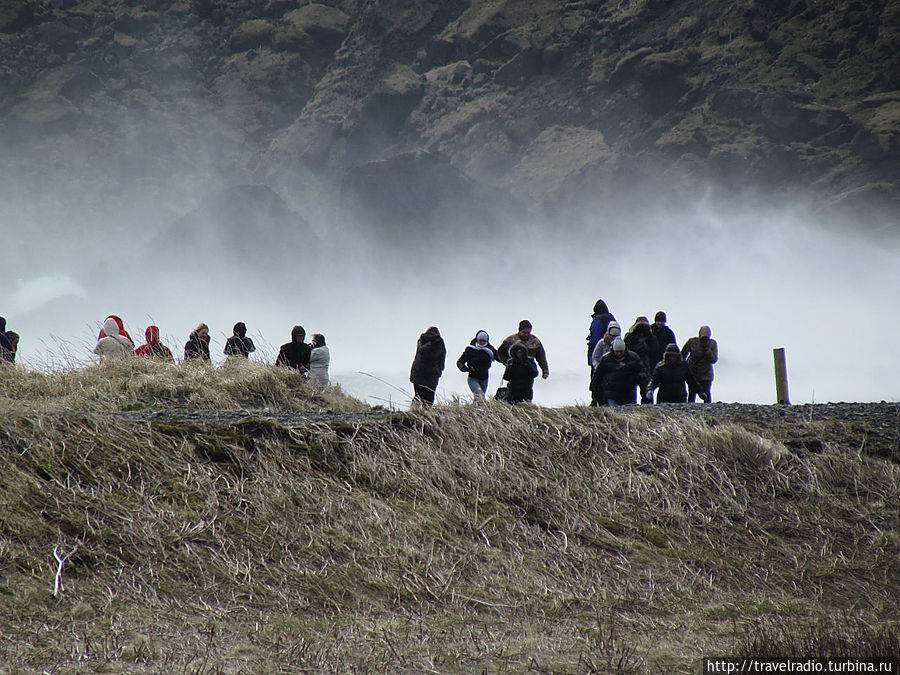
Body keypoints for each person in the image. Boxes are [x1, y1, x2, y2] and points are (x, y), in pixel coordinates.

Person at [590, 337, 650, 406]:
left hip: (628, 394)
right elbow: (597, 379)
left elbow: (643, 375)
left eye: (621, 351)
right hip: (610, 395)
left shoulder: (633, 358)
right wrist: (595, 399)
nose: (619, 353)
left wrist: (645, 396)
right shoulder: (605, 360)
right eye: (617, 352)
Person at [409, 326, 446, 406]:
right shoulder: (440, 344)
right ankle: (427, 414)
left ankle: (413, 413)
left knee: (418, 395)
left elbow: (418, 358)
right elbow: (442, 359)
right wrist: (439, 371)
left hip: (418, 373)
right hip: (432, 375)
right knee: (429, 398)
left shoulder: (421, 341)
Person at [456, 330, 497, 400]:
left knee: (480, 397)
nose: (482, 342)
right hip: (473, 378)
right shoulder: (470, 350)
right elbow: (460, 362)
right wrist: (465, 369)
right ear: (477, 340)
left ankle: (475, 409)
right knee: (480, 396)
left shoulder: (490, 350)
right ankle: (481, 408)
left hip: (484, 378)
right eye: (480, 340)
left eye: (484, 341)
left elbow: (499, 357)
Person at [681, 325, 718, 403]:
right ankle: (690, 408)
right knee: (692, 392)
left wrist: (708, 351)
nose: (704, 340)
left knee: (706, 392)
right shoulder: (692, 342)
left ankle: (708, 408)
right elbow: (683, 354)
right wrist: (684, 367)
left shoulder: (712, 344)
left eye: (706, 338)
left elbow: (714, 360)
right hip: (693, 372)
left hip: (706, 374)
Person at [589, 321, 622, 405]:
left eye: (616, 335)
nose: (613, 337)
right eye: (612, 335)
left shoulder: (620, 344)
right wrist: (598, 367)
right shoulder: (601, 343)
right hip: (601, 371)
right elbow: (595, 357)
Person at [586, 299, 615, 369]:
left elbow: (595, 338)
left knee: (597, 375)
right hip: (613, 353)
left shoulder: (598, 320)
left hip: (599, 352)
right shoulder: (611, 318)